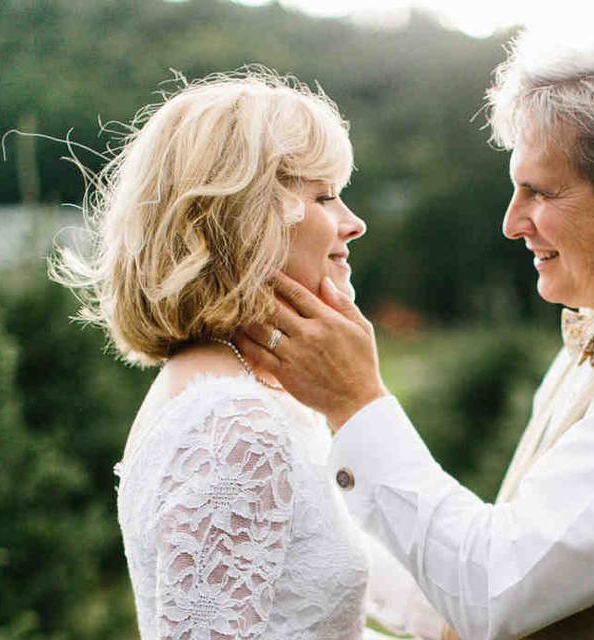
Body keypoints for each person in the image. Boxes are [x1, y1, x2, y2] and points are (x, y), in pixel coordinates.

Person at [238, 33, 594, 640]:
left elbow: (493, 591)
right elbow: (490, 586)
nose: (513, 223)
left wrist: (357, 402)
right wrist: (296, 549)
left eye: (540, 191)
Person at [51, 70, 446, 639]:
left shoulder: (253, 393)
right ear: (246, 219)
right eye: (324, 196)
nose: (352, 224)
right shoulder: (231, 423)